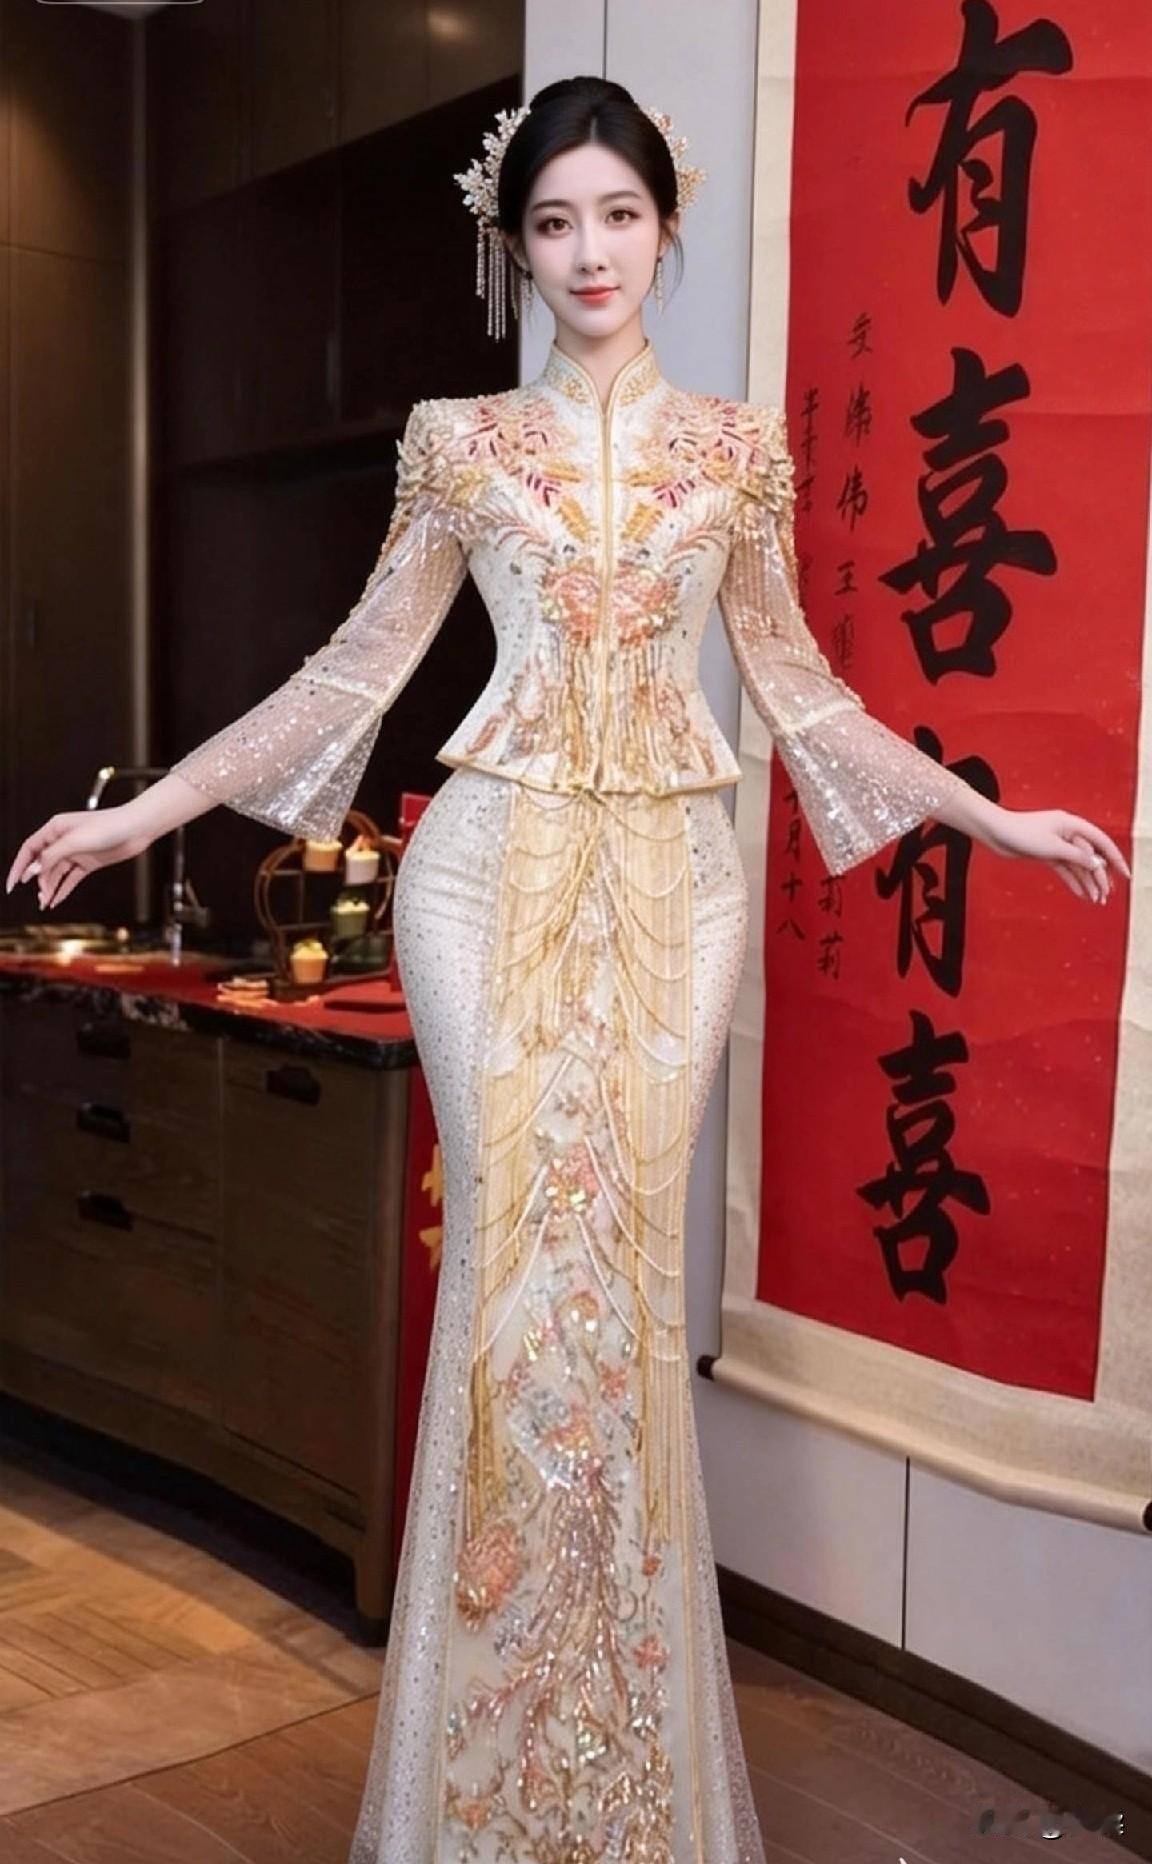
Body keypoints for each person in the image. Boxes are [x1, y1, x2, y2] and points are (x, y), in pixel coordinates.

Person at [5, 74, 1128, 1864]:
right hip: (487, 877)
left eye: (617, 214)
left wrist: (984, 819)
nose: (589, 252)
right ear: (511, 244)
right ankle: (475, 1789)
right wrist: (148, 812)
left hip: (675, 888)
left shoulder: (739, 452)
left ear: (667, 228)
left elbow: (800, 689)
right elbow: (353, 671)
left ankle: (625, 1780)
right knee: (510, 1290)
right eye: (552, 222)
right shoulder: (458, 441)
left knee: (618, 1307)